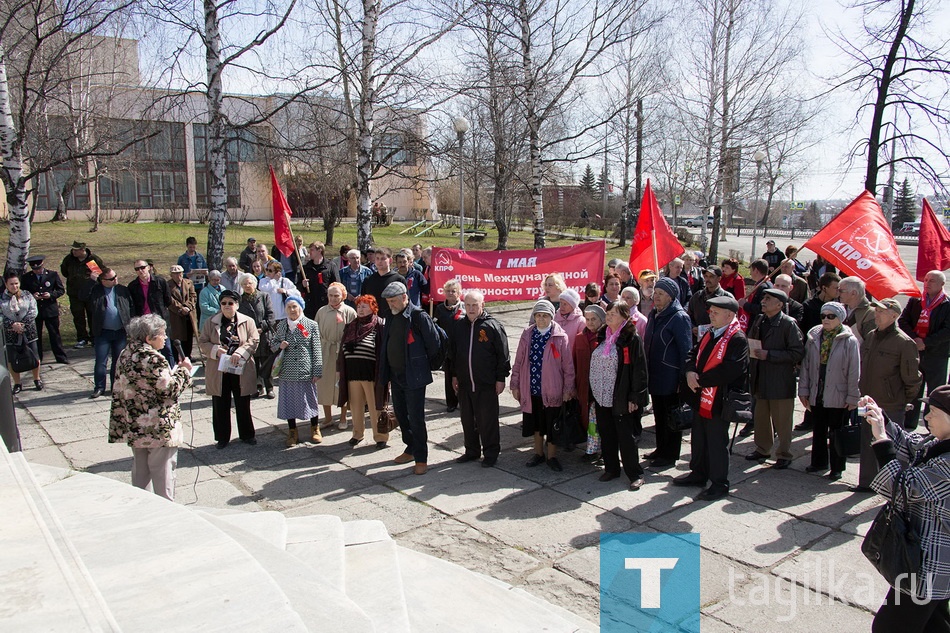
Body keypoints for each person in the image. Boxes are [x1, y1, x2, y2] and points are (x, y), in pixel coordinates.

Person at [860, 391, 950, 632]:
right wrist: (881, 419)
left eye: (933, 413)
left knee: (888, 627)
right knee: (934, 624)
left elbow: (902, 487)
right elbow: (911, 445)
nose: (926, 417)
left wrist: (880, 440)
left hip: (931, 564)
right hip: (926, 560)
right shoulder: (939, 443)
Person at [108, 314, 193, 501]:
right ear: (149, 338)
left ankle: (142, 507)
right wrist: (184, 371)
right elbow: (169, 389)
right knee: (163, 472)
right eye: (162, 334)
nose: (165, 337)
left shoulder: (125, 354)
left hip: (134, 424)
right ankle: (166, 510)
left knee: (140, 471)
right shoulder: (152, 358)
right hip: (157, 427)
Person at [675, 295, 749, 501]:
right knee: (698, 438)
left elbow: (731, 370)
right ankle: (698, 474)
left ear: (729, 315)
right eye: (711, 311)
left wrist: (701, 380)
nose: (711, 314)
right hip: (701, 396)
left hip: (719, 399)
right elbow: (693, 353)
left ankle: (719, 483)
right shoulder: (710, 332)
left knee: (716, 442)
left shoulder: (737, 338)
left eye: (715, 312)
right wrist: (690, 372)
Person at [854, 298, 922, 492]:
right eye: (877, 310)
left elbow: (912, 378)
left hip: (890, 403)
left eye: (883, 312)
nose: (877, 314)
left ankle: (894, 484)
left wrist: (901, 400)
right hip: (867, 400)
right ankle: (866, 482)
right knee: (867, 443)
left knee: (892, 445)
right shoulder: (871, 335)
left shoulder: (904, 342)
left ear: (894, 316)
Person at [377, 281, 443, 475]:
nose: (391, 305)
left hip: (414, 376)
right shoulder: (390, 316)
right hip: (395, 374)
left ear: (405, 297)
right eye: (388, 301)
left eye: (394, 301)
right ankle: (410, 448)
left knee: (416, 418)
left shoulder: (418, 316)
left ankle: (421, 457)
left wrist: (422, 366)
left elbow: (435, 344)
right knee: (401, 415)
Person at [510, 299, 575, 472]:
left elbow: (568, 366)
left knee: (552, 424)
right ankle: (538, 453)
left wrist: (568, 388)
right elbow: (519, 361)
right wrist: (515, 384)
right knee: (536, 423)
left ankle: (552, 456)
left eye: (545, 316)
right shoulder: (528, 334)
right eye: (538, 316)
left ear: (551, 317)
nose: (541, 319)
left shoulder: (560, 337)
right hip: (532, 387)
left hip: (553, 388)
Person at [590, 301, 649, 490]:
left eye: (613, 314)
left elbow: (639, 370)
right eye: (608, 313)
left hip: (622, 396)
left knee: (626, 436)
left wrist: (635, 397)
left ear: (624, 316)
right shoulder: (602, 335)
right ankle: (611, 468)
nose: (608, 316)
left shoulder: (631, 338)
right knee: (607, 433)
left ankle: (635, 473)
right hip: (601, 394)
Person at [799, 301, 860, 481]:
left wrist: (852, 396)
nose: (826, 319)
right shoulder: (814, 337)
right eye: (823, 316)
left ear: (840, 318)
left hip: (838, 393)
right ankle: (818, 462)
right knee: (818, 429)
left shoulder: (849, 340)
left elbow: (854, 370)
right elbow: (806, 366)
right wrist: (803, 390)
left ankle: (837, 467)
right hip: (817, 390)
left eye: (831, 316)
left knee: (837, 431)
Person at [745, 289, 805, 469]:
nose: (763, 301)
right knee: (761, 417)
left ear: (779, 304)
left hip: (780, 380)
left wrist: (769, 355)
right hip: (760, 377)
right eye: (763, 298)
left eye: (768, 299)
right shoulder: (759, 320)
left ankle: (784, 454)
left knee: (782, 421)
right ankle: (762, 449)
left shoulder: (788, 324)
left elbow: (797, 352)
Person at [449, 290, 510, 468]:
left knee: (487, 419)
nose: (471, 308)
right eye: (467, 305)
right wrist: (454, 375)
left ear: (482, 305)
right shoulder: (459, 327)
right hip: (465, 382)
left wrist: (500, 378)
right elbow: (453, 354)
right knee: (467, 419)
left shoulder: (492, 326)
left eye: (475, 304)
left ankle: (491, 452)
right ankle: (471, 450)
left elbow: (503, 355)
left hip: (486, 383)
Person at [198, 289, 260, 449]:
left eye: (230, 303)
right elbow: (203, 342)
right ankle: (222, 437)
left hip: (241, 368)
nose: (227, 306)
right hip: (219, 370)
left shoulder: (248, 321)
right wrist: (215, 350)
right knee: (220, 404)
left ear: (237, 305)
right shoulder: (211, 322)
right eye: (223, 303)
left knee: (243, 402)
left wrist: (240, 352)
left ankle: (247, 435)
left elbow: (254, 340)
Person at [643, 277, 693, 468]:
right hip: (655, 374)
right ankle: (660, 449)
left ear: (671, 297)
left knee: (671, 416)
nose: (656, 297)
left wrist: (683, 378)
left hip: (671, 377)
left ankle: (670, 454)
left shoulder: (679, 317)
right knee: (659, 416)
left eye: (661, 294)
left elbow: (686, 350)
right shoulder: (655, 315)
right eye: (655, 293)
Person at [900, 270, 950, 429]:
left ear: (942, 284)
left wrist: (926, 342)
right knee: (914, 388)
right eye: (926, 280)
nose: (927, 283)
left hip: (937, 355)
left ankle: (932, 425)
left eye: (932, 281)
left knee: (934, 392)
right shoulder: (915, 300)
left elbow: (947, 330)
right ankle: (909, 423)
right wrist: (914, 339)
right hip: (915, 352)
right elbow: (903, 321)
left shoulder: (946, 304)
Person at [270, 296, 323, 446]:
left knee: (311, 399)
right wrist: (280, 345)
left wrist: (317, 370)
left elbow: (316, 348)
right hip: (287, 369)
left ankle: (315, 427)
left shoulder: (310, 325)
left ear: (301, 307)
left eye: (295, 306)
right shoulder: (281, 326)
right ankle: (292, 431)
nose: (292, 310)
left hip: (305, 369)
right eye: (289, 307)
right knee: (288, 401)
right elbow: (272, 344)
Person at [339, 295, 389, 449]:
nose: (360, 309)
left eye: (364, 306)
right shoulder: (350, 326)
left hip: (371, 374)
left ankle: (380, 436)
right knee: (355, 407)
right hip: (352, 373)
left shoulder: (379, 325)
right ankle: (357, 433)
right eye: (359, 306)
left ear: (373, 308)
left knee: (376, 407)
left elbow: (383, 350)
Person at [85, 267, 132, 398]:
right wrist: (91, 281)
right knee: (101, 360)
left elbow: (130, 306)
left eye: (115, 276)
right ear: (103, 280)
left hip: (120, 332)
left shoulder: (122, 289)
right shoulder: (96, 290)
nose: (115, 279)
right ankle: (99, 387)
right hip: (102, 332)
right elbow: (82, 296)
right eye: (111, 278)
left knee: (118, 361)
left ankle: (115, 386)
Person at [315, 283, 356, 432]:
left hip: (342, 351)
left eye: (336, 295)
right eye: (330, 295)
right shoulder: (321, 311)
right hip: (325, 349)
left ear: (343, 296)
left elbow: (354, 333)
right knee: (324, 384)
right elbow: (315, 331)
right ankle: (327, 418)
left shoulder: (349, 311)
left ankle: (343, 416)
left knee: (341, 385)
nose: (333, 298)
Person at [20, 255, 68, 364]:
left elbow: (60, 290)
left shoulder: (52, 275)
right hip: (35, 311)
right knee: (36, 335)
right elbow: (23, 293)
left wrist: (50, 295)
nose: (37, 271)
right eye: (34, 269)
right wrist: (33, 296)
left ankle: (61, 357)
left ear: (42, 265)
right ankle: (37, 358)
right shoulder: (26, 277)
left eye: (38, 268)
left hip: (50, 309)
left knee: (54, 334)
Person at [574, 304, 606, 463]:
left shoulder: (606, 337)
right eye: (587, 319)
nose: (590, 322)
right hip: (583, 387)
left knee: (602, 421)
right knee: (589, 420)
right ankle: (592, 450)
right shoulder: (579, 338)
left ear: (601, 320)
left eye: (594, 319)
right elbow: (573, 362)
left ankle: (604, 451)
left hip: (600, 388)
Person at [127, 259, 174, 367]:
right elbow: (132, 305)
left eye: (142, 267)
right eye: (137, 269)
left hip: (159, 321)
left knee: (166, 348)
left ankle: (171, 373)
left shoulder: (160, 282)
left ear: (149, 267)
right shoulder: (132, 286)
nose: (140, 271)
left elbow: (168, 300)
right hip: (143, 324)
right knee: (145, 351)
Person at [237, 273, 276, 399]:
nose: (247, 286)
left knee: (266, 363)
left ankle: (269, 387)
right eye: (244, 284)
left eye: (249, 283)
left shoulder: (264, 296)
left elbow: (271, 315)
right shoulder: (240, 300)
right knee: (252, 365)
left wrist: (262, 328)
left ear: (255, 283)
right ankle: (256, 387)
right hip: (249, 337)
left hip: (264, 335)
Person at [2, 272, 42, 393]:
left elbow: (33, 311)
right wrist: (12, 324)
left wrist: (22, 324)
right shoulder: (1, 298)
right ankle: (17, 383)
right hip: (11, 332)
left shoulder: (27, 295)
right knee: (12, 359)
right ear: (6, 284)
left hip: (28, 330)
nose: (14, 286)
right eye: (11, 284)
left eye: (16, 283)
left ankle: (37, 379)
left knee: (34, 356)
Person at [60, 240, 104, 348]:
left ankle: (94, 337)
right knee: (78, 316)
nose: (73, 252)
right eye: (73, 249)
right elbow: (64, 272)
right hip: (75, 294)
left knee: (92, 316)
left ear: (82, 250)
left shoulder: (92, 260)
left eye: (76, 250)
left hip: (90, 293)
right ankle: (82, 338)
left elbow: (99, 274)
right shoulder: (69, 260)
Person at [434, 279, 465, 413]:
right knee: (449, 376)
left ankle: (464, 401)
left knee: (462, 375)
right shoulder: (440, 308)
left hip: (462, 348)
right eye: (448, 291)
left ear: (459, 293)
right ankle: (451, 402)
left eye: (454, 291)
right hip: (447, 348)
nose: (451, 293)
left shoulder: (464, 307)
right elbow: (435, 327)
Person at [361, 248, 406, 321]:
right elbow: (363, 301)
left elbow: (405, 302)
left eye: (383, 259)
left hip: (393, 320)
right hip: (372, 321)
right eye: (377, 258)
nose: (379, 261)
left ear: (390, 260)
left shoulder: (399, 279)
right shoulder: (368, 280)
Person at [300, 241, 339, 319]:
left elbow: (337, 284)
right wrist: (303, 285)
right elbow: (297, 286)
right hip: (310, 304)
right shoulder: (306, 268)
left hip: (326, 303)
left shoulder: (330, 266)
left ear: (319, 250)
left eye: (312, 250)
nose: (309, 252)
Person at [686, 265, 728, 338]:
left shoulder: (726, 298)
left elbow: (731, 322)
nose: (707, 279)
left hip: (718, 340)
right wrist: (693, 327)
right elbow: (689, 316)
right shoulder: (697, 296)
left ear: (719, 278)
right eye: (706, 276)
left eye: (711, 277)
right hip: (697, 340)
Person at [167, 265, 198, 358]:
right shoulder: (167, 285)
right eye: (175, 274)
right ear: (171, 275)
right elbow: (169, 300)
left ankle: (188, 356)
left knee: (189, 336)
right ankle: (177, 358)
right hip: (176, 315)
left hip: (189, 314)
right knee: (177, 336)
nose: (178, 275)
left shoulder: (189, 282)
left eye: (180, 273)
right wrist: (180, 308)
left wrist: (188, 307)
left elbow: (193, 296)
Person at [839, 276, 876, 344]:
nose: (838, 293)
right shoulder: (839, 308)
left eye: (841, 291)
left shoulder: (870, 313)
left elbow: (870, 344)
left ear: (853, 293)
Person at [740, 259, 772, 327]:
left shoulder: (764, 287)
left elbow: (762, 308)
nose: (750, 273)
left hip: (758, 324)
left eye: (751, 270)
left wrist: (745, 305)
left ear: (756, 271)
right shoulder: (761, 284)